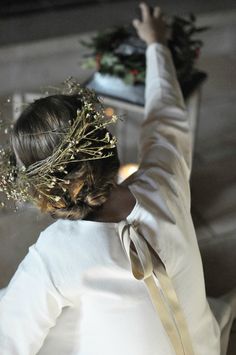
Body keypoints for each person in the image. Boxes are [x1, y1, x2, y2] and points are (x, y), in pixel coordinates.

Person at [0, 3, 235, 354]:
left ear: (43, 189)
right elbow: (166, 114)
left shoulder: (53, 255)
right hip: (203, 347)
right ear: (106, 145)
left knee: (20, 309)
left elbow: (10, 343)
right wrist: (156, 43)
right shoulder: (163, 181)